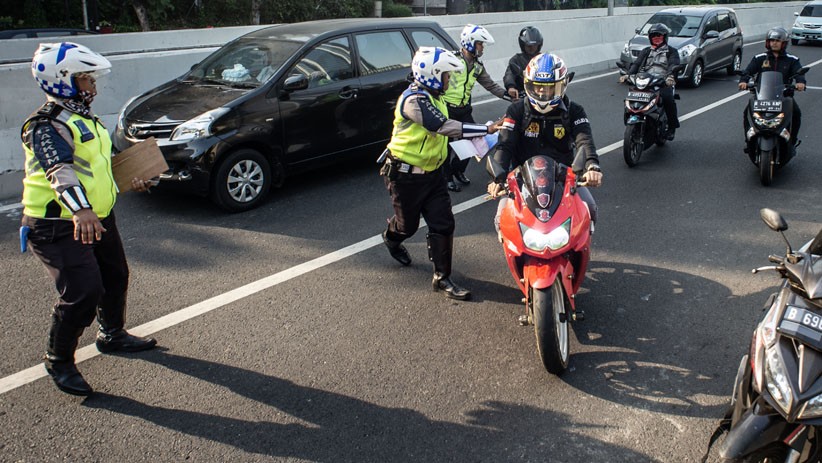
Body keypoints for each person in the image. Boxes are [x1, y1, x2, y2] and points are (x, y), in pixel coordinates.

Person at [23, 42, 158, 396]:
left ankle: (112, 334)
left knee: (115, 276)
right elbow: (60, 171)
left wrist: (133, 178)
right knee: (83, 292)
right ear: (64, 81)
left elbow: (98, 168)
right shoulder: (45, 126)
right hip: (59, 224)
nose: (93, 87)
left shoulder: (85, 119)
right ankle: (58, 360)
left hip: (95, 216)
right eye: (86, 80)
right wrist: (81, 210)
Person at [380, 46, 499, 301]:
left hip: (433, 175)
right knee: (407, 226)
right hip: (405, 177)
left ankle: (442, 278)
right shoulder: (414, 100)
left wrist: (478, 140)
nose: (449, 79)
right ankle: (391, 237)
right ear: (431, 74)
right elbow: (443, 126)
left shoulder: (437, 96)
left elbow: (447, 131)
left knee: (443, 223)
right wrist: (484, 130)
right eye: (445, 74)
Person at [487, 53, 602, 236]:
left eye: (549, 88)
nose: (542, 92)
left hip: (563, 176)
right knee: (501, 219)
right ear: (528, 85)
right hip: (522, 176)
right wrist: (498, 178)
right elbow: (505, 145)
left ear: (562, 86)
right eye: (537, 87)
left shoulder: (574, 111)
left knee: (591, 210)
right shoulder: (515, 110)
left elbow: (585, 141)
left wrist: (592, 167)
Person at [442, 24, 508, 193]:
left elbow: (490, 85)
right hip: (448, 110)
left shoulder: (478, 66)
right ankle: (447, 178)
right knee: (446, 147)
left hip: (464, 110)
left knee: (474, 145)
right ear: (470, 43)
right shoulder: (452, 60)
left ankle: (458, 170)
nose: (482, 48)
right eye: (480, 44)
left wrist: (508, 96)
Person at [738, 27, 806, 149]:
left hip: (784, 96)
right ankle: (749, 141)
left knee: (796, 114)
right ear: (768, 42)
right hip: (762, 96)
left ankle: (792, 141)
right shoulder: (760, 58)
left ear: (783, 43)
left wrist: (800, 83)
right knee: (746, 113)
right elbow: (748, 71)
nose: (774, 43)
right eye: (772, 40)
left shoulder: (792, 60)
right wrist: (743, 81)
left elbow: (799, 73)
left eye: (777, 40)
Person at [620, 23, 680, 140]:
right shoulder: (646, 51)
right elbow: (636, 64)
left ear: (665, 37)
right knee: (631, 95)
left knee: (668, 99)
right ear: (650, 38)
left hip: (663, 81)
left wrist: (670, 77)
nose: (656, 38)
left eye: (659, 36)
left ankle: (672, 128)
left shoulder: (672, 51)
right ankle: (633, 117)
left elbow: (673, 64)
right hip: (646, 80)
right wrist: (628, 75)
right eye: (654, 36)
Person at [503, 26, 543, 100]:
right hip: (524, 97)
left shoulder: (544, 58)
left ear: (539, 45)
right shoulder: (516, 59)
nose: (532, 48)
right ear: (523, 45)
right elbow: (510, 73)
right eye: (529, 46)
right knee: (513, 110)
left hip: (543, 94)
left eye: (534, 45)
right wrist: (510, 86)